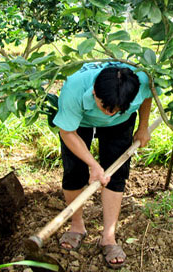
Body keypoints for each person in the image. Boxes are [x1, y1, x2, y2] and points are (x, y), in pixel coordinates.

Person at [53, 61, 155, 269]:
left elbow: (148, 95)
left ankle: (108, 237)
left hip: (121, 124)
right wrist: (93, 164)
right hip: (79, 124)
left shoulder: (141, 80)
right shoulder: (74, 87)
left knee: (116, 175)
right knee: (74, 173)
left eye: (116, 108)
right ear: (93, 93)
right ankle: (76, 226)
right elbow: (67, 132)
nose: (109, 112)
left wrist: (143, 126)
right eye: (105, 107)